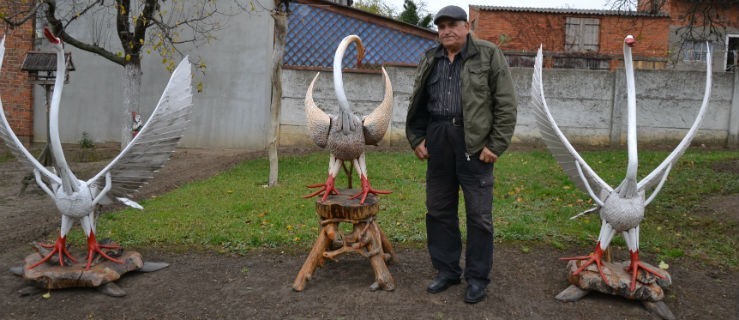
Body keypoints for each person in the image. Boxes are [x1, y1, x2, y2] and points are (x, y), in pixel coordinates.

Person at [405, 5, 517, 304]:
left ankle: (477, 278)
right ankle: (447, 270)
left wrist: (496, 144)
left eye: (452, 24)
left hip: (475, 145)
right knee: (439, 210)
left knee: (479, 217)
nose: (446, 31)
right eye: (441, 26)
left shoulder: (489, 54)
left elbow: (506, 104)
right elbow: (418, 102)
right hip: (439, 139)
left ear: (467, 26)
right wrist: (416, 137)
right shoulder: (431, 58)